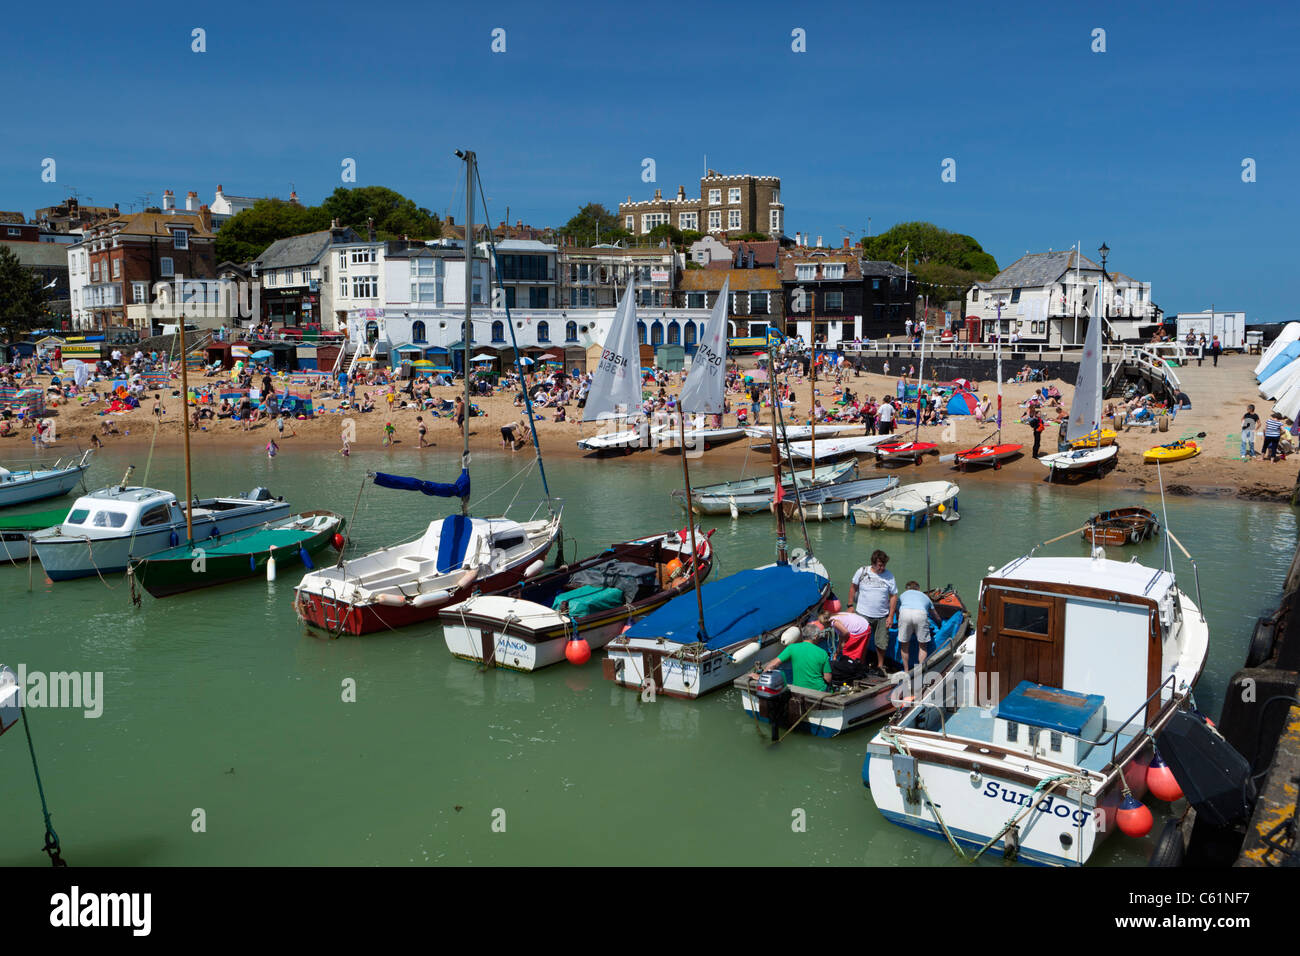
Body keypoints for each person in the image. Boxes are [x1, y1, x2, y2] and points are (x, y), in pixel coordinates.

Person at [848, 550, 898, 675]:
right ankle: (861, 663)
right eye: (880, 565)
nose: (882, 568)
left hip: (882, 615)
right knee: (861, 640)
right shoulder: (862, 571)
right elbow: (853, 588)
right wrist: (850, 605)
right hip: (862, 614)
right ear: (873, 563)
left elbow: (893, 596)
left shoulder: (889, 576)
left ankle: (880, 666)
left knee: (881, 642)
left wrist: (891, 616)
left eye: (884, 565)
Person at [759, 624, 831, 692]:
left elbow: (773, 664)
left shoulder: (791, 648)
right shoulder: (823, 653)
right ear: (815, 637)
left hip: (798, 689)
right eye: (818, 635)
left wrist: (761, 677)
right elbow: (828, 679)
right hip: (818, 691)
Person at [897, 582, 943, 668]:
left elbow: (897, 610)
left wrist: (897, 620)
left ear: (907, 589)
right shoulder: (925, 597)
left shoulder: (903, 595)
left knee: (904, 645)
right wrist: (940, 624)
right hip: (920, 614)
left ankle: (906, 670)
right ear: (919, 589)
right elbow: (935, 615)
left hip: (905, 613)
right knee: (922, 646)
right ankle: (920, 670)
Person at [822, 609, 875, 684]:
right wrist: (837, 652)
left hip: (859, 630)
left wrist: (844, 644)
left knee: (848, 653)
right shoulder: (837, 615)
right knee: (861, 651)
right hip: (865, 627)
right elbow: (841, 635)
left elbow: (845, 633)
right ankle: (860, 667)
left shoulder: (834, 622)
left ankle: (850, 672)